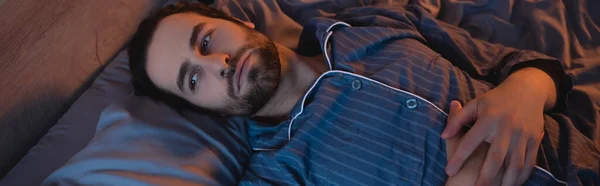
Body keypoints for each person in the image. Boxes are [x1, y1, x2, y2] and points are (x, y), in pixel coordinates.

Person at [127, 2, 595, 186]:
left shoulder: (370, 24)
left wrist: (527, 91)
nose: (218, 64)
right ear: (201, 109)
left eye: (207, 40)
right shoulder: (274, 175)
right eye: (193, 79)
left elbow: (513, 61)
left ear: (238, 23)